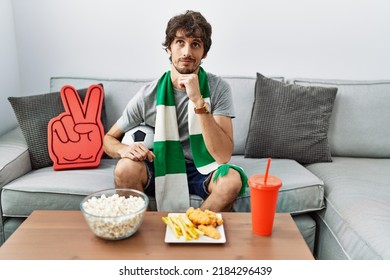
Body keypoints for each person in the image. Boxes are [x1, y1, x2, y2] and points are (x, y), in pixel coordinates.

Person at [103, 10, 246, 212]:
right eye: (180, 42)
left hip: (203, 168)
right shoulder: (148, 95)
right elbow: (108, 139)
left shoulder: (218, 88)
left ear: (204, 52)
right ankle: (149, 235)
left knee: (231, 180)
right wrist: (123, 150)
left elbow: (223, 156)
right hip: (161, 164)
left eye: (195, 44)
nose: (187, 52)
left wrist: (198, 102)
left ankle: (189, 229)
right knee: (125, 167)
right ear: (169, 48)